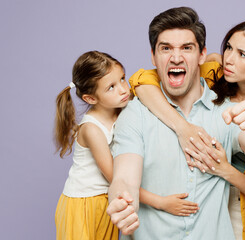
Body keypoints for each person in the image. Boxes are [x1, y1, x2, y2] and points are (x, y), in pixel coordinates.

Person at [106, 7, 245, 240]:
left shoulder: (226, 112)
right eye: (166, 48)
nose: (176, 57)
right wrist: (121, 200)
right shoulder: (135, 114)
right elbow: (124, 177)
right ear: (153, 56)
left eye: (186, 48)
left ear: (202, 55)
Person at [54, 51, 198, 240]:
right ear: (90, 99)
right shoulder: (91, 129)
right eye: (111, 87)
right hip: (84, 205)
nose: (123, 89)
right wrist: (162, 203)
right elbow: (116, 177)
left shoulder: (125, 110)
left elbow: (145, 86)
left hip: (109, 201)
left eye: (122, 79)